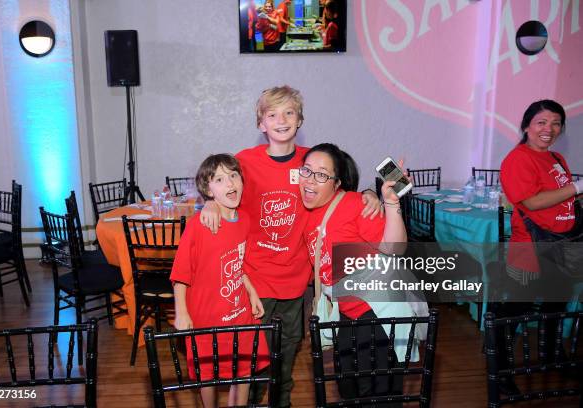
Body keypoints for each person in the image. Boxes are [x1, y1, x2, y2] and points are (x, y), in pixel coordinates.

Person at [200, 86, 381, 407]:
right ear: (261, 124)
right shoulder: (245, 161)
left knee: (285, 359)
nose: (281, 120)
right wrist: (209, 204)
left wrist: (369, 193)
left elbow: (341, 188)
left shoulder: (311, 161)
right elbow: (218, 183)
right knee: (252, 361)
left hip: (296, 283)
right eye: (272, 114)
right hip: (254, 281)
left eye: (289, 113)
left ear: (300, 120)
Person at [299, 143, 424, 403]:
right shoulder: (307, 214)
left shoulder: (356, 204)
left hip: (380, 314)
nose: (311, 180)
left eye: (322, 174)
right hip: (346, 314)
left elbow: (395, 248)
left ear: (337, 183)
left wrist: (390, 203)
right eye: (307, 171)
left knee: (379, 395)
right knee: (349, 390)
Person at [496, 99, 583, 395]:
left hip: (561, 245)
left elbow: (563, 198)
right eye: (542, 122)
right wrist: (577, 188)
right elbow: (531, 202)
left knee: (555, 305)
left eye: (556, 123)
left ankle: (552, 357)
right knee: (514, 312)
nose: (550, 129)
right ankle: (500, 373)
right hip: (530, 249)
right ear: (526, 126)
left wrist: (576, 200)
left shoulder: (556, 158)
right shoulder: (518, 159)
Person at [171, 154, 267, 408]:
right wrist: (181, 313)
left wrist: (252, 292)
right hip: (206, 316)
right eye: (220, 179)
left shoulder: (245, 220)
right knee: (208, 375)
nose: (230, 183)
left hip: (239, 311)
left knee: (244, 370)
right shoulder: (198, 225)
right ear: (208, 189)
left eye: (234, 175)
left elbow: (240, 263)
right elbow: (180, 274)